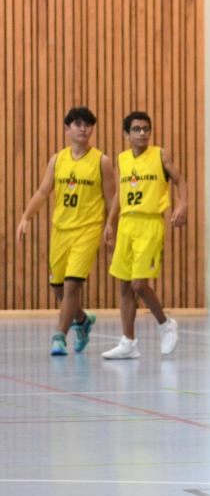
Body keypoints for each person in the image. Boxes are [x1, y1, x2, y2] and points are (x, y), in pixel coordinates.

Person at [17, 107, 114, 355]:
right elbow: (42, 192)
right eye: (78, 124)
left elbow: (112, 199)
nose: (83, 128)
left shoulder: (101, 161)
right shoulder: (57, 159)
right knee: (59, 288)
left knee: (72, 285)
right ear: (67, 128)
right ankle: (82, 320)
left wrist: (111, 225)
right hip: (61, 230)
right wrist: (26, 216)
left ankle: (59, 337)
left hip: (88, 230)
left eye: (88, 124)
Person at [101, 112, 186, 360]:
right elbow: (120, 193)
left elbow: (180, 180)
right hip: (127, 223)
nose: (142, 133)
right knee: (124, 285)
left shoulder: (160, 155)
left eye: (146, 129)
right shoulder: (123, 159)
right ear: (126, 134)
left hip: (150, 223)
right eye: (136, 129)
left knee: (139, 284)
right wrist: (110, 222)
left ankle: (165, 324)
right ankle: (128, 342)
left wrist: (182, 205)